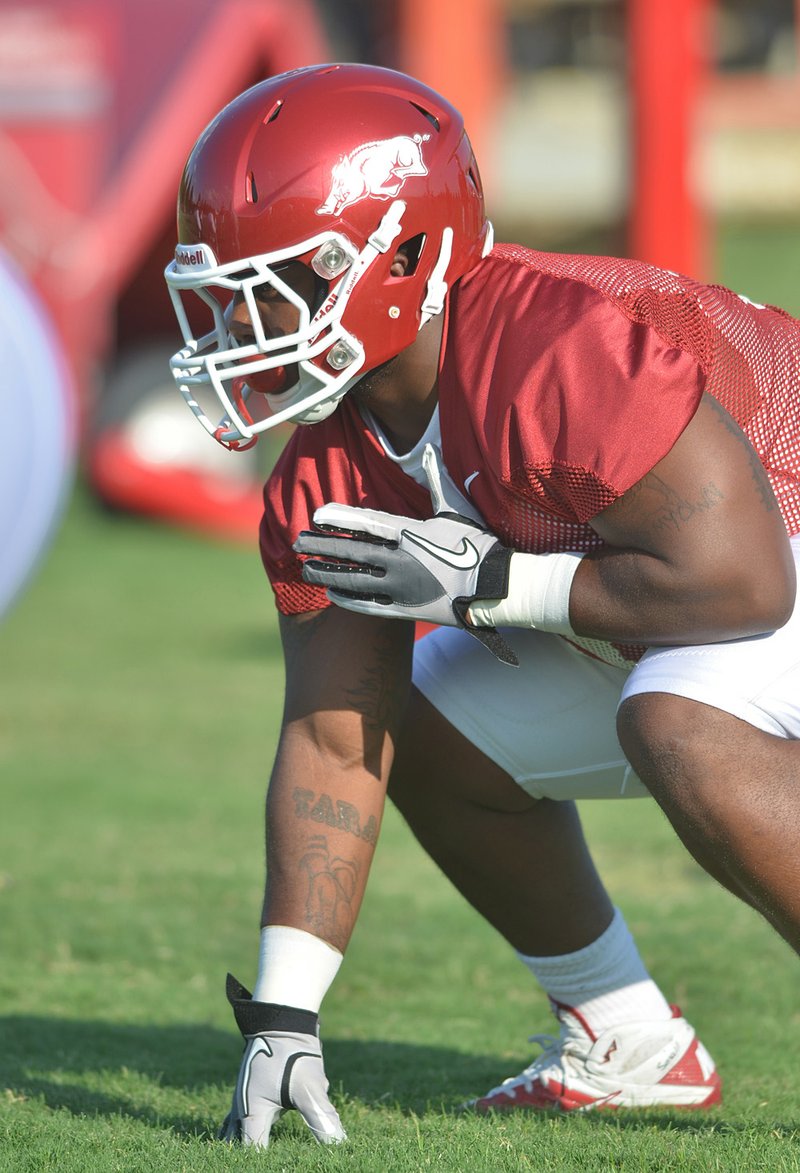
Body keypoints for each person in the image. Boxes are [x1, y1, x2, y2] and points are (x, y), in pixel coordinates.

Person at [163, 64, 800, 1147]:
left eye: (281, 282)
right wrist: (283, 1012)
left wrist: (492, 587)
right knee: (417, 723)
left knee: (681, 724)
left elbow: (740, 582)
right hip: (676, 587)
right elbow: (334, 738)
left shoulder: (555, 344)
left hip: (764, 545)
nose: (242, 321)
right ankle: (623, 1045)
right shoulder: (325, 466)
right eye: (226, 287)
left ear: (406, 256)